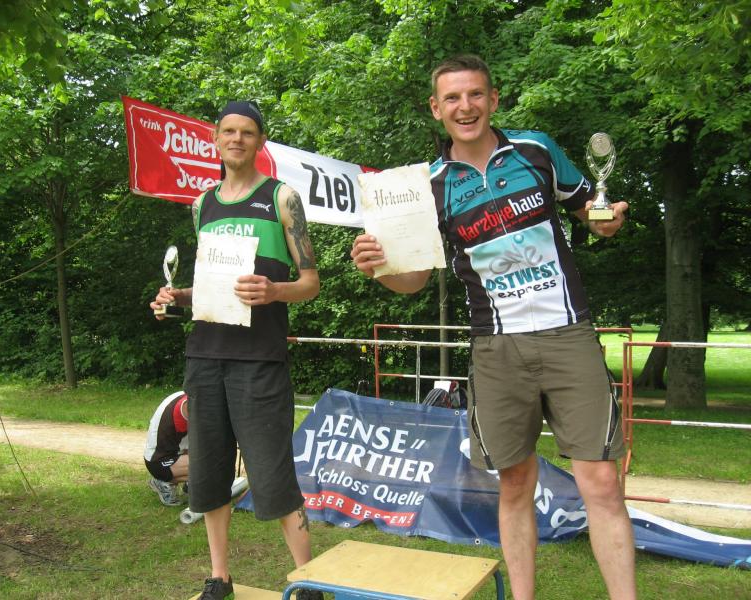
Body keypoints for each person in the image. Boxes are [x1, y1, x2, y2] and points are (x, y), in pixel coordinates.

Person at [350, 55, 636, 600]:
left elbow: (592, 214)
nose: (466, 107)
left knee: (600, 480)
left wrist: (608, 220)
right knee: (515, 482)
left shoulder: (535, 150)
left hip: (568, 333)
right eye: (453, 98)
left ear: (494, 99)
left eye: (475, 94)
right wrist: (378, 268)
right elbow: (412, 280)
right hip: (496, 346)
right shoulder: (428, 186)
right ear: (436, 109)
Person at [150, 100, 321, 600]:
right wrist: (176, 297)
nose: (237, 139)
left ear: (260, 141)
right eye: (229, 131)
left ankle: (308, 582)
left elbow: (310, 282)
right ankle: (219, 577)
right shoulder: (202, 205)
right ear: (216, 138)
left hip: (260, 359)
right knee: (208, 471)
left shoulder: (282, 197)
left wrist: (274, 290)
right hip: (205, 357)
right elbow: (213, 287)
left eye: (247, 132)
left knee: (272, 472)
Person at [144, 390, 189, 506]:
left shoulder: (188, 395)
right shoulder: (190, 405)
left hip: (168, 453)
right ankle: (163, 482)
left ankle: (191, 485)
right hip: (159, 461)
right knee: (207, 466)